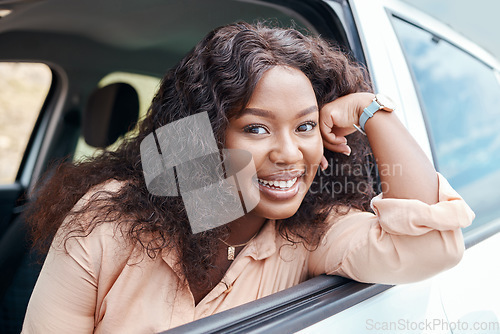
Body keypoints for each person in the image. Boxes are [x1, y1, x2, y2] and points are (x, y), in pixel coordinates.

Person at [22, 22, 474, 333]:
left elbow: (431, 245)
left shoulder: (313, 234)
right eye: (256, 128)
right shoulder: (111, 220)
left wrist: (371, 110)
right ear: (206, 138)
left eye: (305, 126)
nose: (288, 152)